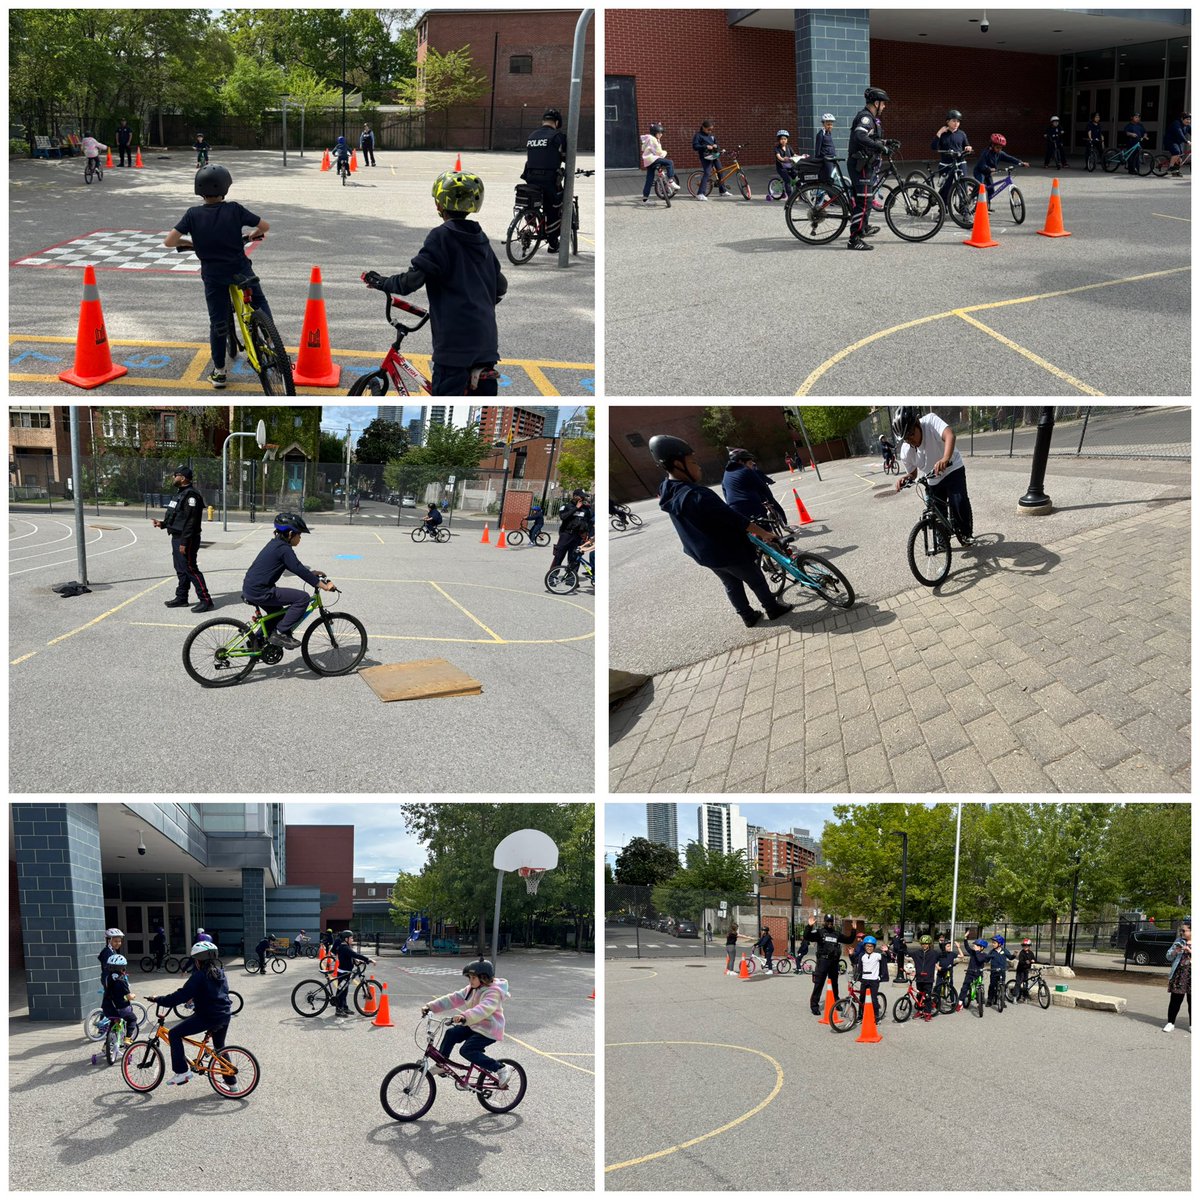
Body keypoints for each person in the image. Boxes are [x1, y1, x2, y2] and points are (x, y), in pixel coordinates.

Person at [363, 169, 505, 396]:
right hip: (486, 345)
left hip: (454, 347)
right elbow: (501, 286)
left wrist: (382, 282)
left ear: (439, 204)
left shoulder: (442, 236)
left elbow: (411, 282)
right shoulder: (481, 238)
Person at [649, 434, 793, 629]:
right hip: (727, 551)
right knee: (756, 579)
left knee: (731, 583)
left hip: (703, 554)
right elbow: (735, 519)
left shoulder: (667, 489)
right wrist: (765, 533)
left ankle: (748, 616)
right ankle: (772, 608)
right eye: (692, 462)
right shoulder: (698, 495)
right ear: (678, 463)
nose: (698, 466)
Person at [162, 164, 273, 390]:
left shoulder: (192, 214)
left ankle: (220, 372)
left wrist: (189, 243)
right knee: (259, 301)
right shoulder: (234, 209)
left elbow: (169, 241)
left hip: (213, 275)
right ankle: (271, 338)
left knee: (218, 322)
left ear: (199, 190)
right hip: (240, 268)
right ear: (226, 187)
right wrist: (252, 235)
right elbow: (264, 226)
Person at [242, 511, 337, 650]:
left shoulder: (276, 545)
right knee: (302, 598)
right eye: (299, 534)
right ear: (290, 534)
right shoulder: (284, 549)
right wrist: (325, 586)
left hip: (251, 588)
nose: (300, 538)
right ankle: (280, 633)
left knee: (276, 616)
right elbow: (298, 568)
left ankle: (255, 643)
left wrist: (311, 573)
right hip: (261, 591)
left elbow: (295, 567)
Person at [148, 940, 231, 1085]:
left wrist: (159, 1000)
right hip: (224, 1015)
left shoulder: (199, 975)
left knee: (174, 1033)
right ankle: (232, 1083)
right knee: (220, 1048)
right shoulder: (220, 973)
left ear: (198, 960)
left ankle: (182, 1072)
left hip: (207, 1016)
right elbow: (217, 992)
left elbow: (180, 996)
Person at [423, 959, 512, 1085]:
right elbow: (453, 998)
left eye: (473, 978)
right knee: (451, 1033)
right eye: (469, 978)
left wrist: (464, 1016)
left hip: (489, 1030)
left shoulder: (494, 992)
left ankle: (501, 1068)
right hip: (474, 1025)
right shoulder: (472, 988)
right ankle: (441, 1064)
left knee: (467, 1050)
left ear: (484, 978)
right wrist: (430, 1007)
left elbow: (483, 1009)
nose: (470, 981)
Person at [892, 406, 974, 542]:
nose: (910, 440)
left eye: (911, 434)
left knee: (959, 502)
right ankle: (942, 540)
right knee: (936, 511)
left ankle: (966, 533)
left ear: (917, 423)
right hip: (933, 478)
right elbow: (913, 474)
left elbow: (949, 435)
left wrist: (945, 458)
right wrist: (906, 478)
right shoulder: (906, 451)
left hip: (952, 468)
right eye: (906, 438)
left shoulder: (930, 422)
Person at [152, 466, 213, 613]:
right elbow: (177, 516)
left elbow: (191, 522)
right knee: (181, 569)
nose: (174, 478)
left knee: (191, 568)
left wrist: (184, 542)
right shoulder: (181, 494)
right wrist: (163, 524)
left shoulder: (192, 496)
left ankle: (206, 600)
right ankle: (182, 597)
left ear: (183, 478)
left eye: (176, 475)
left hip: (187, 538)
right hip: (177, 537)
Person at [847, 86, 891, 251]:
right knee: (864, 201)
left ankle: (863, 227)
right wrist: (880, 147)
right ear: (876, 103)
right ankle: (854, 239)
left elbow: (871, 138)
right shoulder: (865, 117)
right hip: (861, 165)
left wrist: (886, 143)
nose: (884, 107)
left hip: (866, 164)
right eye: (883, 104)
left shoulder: (871, 118)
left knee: (866, 199)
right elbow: (860, 136)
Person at [522, 108, 567, 251]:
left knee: (532, 202)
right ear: (557, 122)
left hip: (530, 178)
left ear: (543, 121)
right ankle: (553, 242)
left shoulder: (532, 136)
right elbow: (566, 157)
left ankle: (531, 221)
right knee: (554, 207)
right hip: (549, 180)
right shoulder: (557, 137)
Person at [803, 912, 854, 1016]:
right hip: (823, 962)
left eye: (831, 921)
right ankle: (814, 1006)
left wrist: (853, 930)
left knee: (835, 984)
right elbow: (807, 936)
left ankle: (836, 1003)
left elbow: (849, 940)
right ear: (825, 922)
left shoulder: (836, 934)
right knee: (819, 984)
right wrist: (809, 926)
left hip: (834, 962)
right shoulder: (820, 933)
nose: (830, 923)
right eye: (828, 921)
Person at [721, 448, 788, 526]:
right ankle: (776, 530)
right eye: (749, 463)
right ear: (740, 462)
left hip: (734, 508)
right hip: (751, 505)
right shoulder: (746, 470)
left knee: (749, 531)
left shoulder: (726, 475)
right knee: (767, 534)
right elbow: (763, 488)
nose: (751, 465)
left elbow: (725, 493)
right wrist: (771, 502)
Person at [931, 109, 972, 208]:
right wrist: (939, 132)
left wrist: (968, 147)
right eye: (953, 121)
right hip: (946, 164)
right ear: (947, 122)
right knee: (946, 187)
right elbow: (933, 147)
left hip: (960, 163)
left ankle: (964, 210)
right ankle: (942, 209)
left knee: (963, 186)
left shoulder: (961, 134)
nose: (956, 123)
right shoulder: (943, 134)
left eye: (958, 121)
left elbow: (966, 145)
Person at [973, 134, 1027, 209]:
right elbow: (981, 165)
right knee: (981, 187)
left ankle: (985, 207)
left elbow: (1010, 158)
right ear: (992, 145)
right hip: (980, 171)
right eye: (997, 147)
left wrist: (1020, 162)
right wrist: (989, 169)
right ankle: (972, 201)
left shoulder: (999, 153)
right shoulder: (986, 153)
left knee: (991, 191)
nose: (999, 149)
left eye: (1001, 148)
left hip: (988, 174)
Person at [549, 489, 593, 574]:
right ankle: (552, 576)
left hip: (578, 536)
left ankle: (571, 579)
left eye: (584, 497)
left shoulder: (586, 509)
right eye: (581, 496)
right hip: (566, 535)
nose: (583, 498)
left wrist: (587, 534)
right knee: (559, 556)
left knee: (574, 558)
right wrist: (576, 508)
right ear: (575, 496)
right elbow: (563, 517)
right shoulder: (566, 506)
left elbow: (590, 521)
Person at [332, 929, 373, 1016]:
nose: (353, 940)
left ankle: (344, 1007)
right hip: (343, 973)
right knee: (341, 991)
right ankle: (338, 1009)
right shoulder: (344, 947)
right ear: (346, 939)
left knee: (344, 991)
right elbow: (355, 954)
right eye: (351, 938)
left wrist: (355, 961)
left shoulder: (344, 947)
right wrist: (368, 959)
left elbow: (349, 957)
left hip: (345, 972)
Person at [101, 956, 140, 1045]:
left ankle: (106, 1045)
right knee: (132, 1019)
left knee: (113, 1022)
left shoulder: (107, 978)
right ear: (123, 967)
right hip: (120, 1008)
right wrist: (133, 996)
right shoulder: (122, 980)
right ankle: (128, 1038)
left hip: (108, 1007)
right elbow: (128, 996)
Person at [640, 122, 680, 201]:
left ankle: (645, 199)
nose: (661, 134)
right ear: (655, 133)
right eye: (659, 133)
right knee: (669, 162)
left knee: (649, 180)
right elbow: (659, 153)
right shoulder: (653, 139)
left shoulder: (648, 139)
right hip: (652, 159)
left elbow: (643, 148)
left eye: (662, 133)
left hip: (648, 161)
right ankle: (671, 181)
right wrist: (665, 152)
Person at [1163, 917, 1190, 1032]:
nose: (1182, 933)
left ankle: (1192, 1024)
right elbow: (1168, 956)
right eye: (1181, 931)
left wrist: (1189, 950)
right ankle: (1170, 1023)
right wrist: (1175, 951)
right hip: (1179, 975)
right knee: (1175, 1000)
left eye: (1184, 931)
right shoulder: (1178, 941)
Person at [692, 119, 730, 200]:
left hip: (714, 156)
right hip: (705, 157)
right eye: (708, 129)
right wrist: (705, 146)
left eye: (711, 129)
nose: (710, 131)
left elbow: (716, 144)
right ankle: (700, 193)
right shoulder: (698, 135)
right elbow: (695, 146)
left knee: (720, 171)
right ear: (703, 127)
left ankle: (722, 191)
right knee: (707, 173)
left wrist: (717, 147)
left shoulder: (711, 136)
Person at [812, 114, 842, 200]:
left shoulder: (828, 133)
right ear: (823, 124)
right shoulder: (821, 134)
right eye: (828, 124)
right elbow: (817, 149)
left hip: (831, 159)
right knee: (829, 179)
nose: (830, 126)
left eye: (831, 124)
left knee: (828, 180)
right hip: (826, 160)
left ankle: (825, 197)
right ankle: (831, 198)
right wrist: (818, 160)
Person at [908, 934, 939, 1018]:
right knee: (919, 995)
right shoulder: (917, 953)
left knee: (927, 996)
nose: (924, 945)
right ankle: (920, 1010)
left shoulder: (934, 953)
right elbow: (906, 952)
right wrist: (889, 950)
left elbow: (944, 956)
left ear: (929, 944)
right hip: (919, 978)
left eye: (926, 944)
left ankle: (928, 1013)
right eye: (922, 944)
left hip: (928, 979)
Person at [957, 938, 990, 1011]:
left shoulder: (984, 955)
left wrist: (977, 951)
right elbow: (967, 947)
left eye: (977, 945)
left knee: (979, 988)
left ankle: (979, 1003)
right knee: (965, 987)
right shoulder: (973, 952)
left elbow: (980, 959)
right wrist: (965, 939)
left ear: (982, 948)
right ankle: (960, 1003)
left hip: (978, 973)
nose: (974, 946)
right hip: (970, 972)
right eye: (975, 945)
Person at [859, 935, 884, 1025]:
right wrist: (850, 955)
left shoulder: (877, 955)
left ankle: (876, 1016)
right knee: (861, 998)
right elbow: (855, 963)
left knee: (873, 999)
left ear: (874, 947)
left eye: (871, 946)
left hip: (874, 980)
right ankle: (860, 1015)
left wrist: (887, 951)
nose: (869, 948)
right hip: (864, 980)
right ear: (864, 946)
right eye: (867, 946)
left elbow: (888, 959)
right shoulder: (862, 956)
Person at [986, 935, 1016, 1007]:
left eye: (994, 943)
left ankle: (1002, 1000)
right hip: (993, 972)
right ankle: (990, 1000)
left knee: (1003, 985)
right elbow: (987, 960)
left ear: (999, 944)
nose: (992, 944)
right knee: (992, 986)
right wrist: (986, 957)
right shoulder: (992, 952)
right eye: (992, 943)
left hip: (1002, 971)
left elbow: (1010, 957)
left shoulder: (1004, 951)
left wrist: (1014, 955)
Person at [771, 130, 799, 200]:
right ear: (779, 140)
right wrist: (784, 159)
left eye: (785, 139)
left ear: (787, 140)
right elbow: (779, 157)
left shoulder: (788, 147)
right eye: (781, 139)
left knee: (798, 177)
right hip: (781, 168)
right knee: (788, 181)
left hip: (790, 166)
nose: (783, 140)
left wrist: (801, 156)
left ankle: (800, 193)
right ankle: (790, 198)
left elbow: (794, 155)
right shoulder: (777, 148)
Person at [1164, 110, 1190, 177]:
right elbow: (1179, 134)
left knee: (1180, 156)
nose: (1188, 121)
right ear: (1182, 119)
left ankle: (1175, 171)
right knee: (1176, 152)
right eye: (1187, 119)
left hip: (1178, 142)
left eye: (1189, 120)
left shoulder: (1187, 126)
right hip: (1170, 141)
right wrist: (1187, 141)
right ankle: (1170, 167)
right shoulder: (1176, 123)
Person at [935, 933, 958, 998]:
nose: (950, 947)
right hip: (941, 971)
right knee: (938, 986)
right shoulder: (940, 954)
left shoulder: (951, 954)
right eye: (948, 946)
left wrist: (958, 947)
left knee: (950, 986)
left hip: (949, 972)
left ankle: (953, 1000)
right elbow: (935, 961)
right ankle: (936, 999)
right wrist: (938, 967)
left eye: (950, 946)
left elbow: (961, 957)